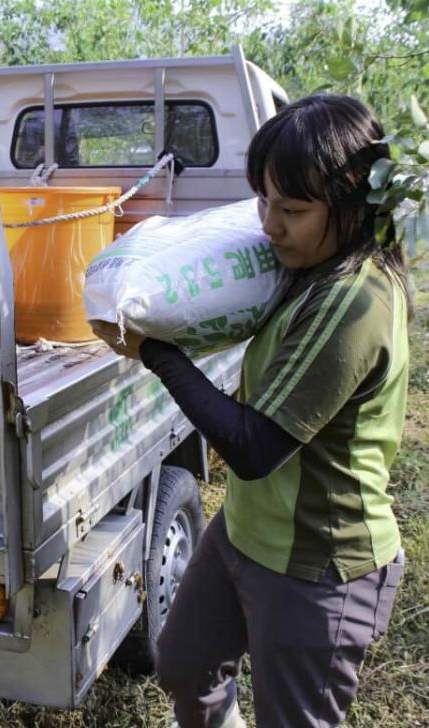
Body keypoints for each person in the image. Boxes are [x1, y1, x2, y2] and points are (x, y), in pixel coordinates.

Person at [91, 94, 410, 728]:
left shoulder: (353, 301)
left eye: (292, 210)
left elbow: (254, 448)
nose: (269, 225)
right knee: (183, 664)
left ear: (353, 206)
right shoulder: (305, 269)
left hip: (315, 563)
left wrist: (157, 349)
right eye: (263, 201)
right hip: (245, 532)